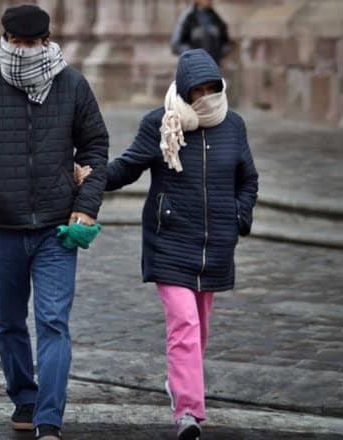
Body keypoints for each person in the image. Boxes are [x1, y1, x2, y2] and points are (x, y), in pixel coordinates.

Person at [0, 5, 108, 440]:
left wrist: (86, 204)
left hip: (57, 229)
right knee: (10, 321)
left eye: (33, 44)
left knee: (53, 321)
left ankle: (49, 418)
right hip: (2, 227)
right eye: (17, 43)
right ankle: (25, 398)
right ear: (6, 41)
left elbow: (95, 148)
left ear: (46, 41)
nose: (25, 52)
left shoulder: (72, 84)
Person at [100, 49, 258, 439]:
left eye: (211, 88)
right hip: (169, 241)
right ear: (184, 91)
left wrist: (238, 217)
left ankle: (180, 383)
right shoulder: (160, 123)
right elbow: (127, 166)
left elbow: (248, 179)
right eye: (197, 90)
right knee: (184, 324)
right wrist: (87, 179)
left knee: (199, 330)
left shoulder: (233, 125)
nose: (205, 97)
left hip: (215, 246)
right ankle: (188, 412)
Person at [170, 0, 232, 65]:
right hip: (194, 69)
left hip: (213, 69)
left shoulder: (216, 19)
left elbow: (226, 43)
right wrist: (194, 55)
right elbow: (175, 45)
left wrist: (220, 54)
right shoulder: (187, 18)